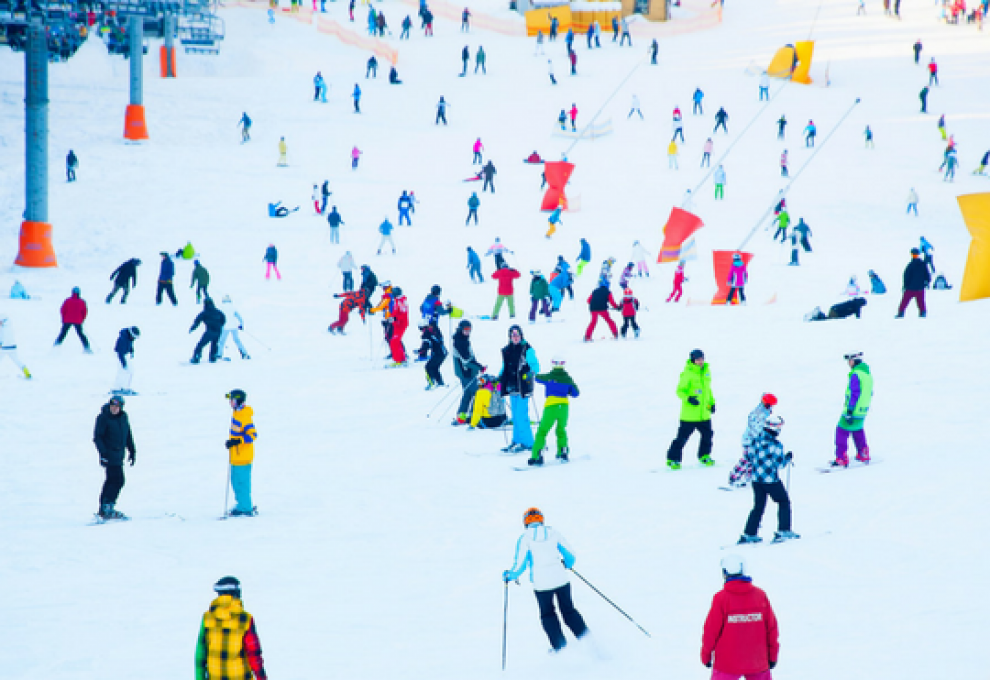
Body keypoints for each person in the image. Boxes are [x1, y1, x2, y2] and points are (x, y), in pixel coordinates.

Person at [503, 507, 588, 650]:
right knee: (569, 611)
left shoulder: (524, 538)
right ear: (541, 519)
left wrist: (509, 575)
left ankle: (560, 648)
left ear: (525, 522)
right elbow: (570, 556)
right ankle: (589, 642)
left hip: (542, 585)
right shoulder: (553, 533)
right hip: (561, 580)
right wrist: (566, 564)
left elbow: (520, 566)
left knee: (548, 615)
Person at [700, 555, 780, 677]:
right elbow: (771, 629)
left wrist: (706, 654)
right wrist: (773, 654)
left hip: (727, 664)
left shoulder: (721, 598)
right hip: (757, 662)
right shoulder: (760, 595)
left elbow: (711, 631)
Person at [730, 415, 798, 544]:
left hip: (756, 480)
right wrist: (787, 458)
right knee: (783, 501)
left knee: (758, 506)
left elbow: (748, 457)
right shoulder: (775, 445)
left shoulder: (755, 441)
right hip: (770, 480)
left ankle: (749, 533)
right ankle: (784, 530)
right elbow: (779, 464)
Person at [196, 576, 268, 680]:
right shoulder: (245, 619)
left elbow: (200, 653)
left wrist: (199, 678)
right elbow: (254, 654)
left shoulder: (207, 618)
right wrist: (262, 677)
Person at [666, 349, 716, 470]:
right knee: (682, 438)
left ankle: (704, 455)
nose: (700, 361)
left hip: (704, 414)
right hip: (689, 415)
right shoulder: (687, 373)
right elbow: (679, 391)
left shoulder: (706, 372)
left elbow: (708, 390)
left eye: (702, 359)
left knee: (708, 435)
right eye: (698, 359)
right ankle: (673, 459)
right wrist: (689, 399)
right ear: (693, 360)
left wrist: (712, 403)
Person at [528, 356, 580, 464]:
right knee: (561, 430)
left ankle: (537, 455)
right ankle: (563, 451)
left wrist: (531, 374)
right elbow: (576, 393)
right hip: (564, 407)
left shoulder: (549, 377)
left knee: (542, 431)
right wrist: (568, 391)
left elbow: (537, 378)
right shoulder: (568, 379)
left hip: (551, 407)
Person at [93, 394, 136, 520]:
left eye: (117, 407)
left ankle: (104, 508)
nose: (114, 409)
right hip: (109, 454)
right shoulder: (103, 418)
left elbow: (128, 434)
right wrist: (103, 454)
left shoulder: (123, 417)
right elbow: (98, 437)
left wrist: (132, 450)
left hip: (119, 455)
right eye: (112, 406)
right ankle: (107, 508)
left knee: (111, 480)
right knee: (118, 480)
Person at [499, 324, 539, 452]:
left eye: (517, 335)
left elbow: (535, 366)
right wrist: (498, 378)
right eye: (513, 335)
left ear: (521, 335)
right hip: (512, 386)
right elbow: (504, 367)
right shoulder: (507, 350)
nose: (515, 338)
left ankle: (528, 442)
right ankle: (516, 440)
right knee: (515, 416)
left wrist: (530, 373)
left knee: (522, 415)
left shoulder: (527, 349)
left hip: (523, 387)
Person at [831, 352, 872, 467]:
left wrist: (849, 410)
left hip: (853, 410)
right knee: (857, 429)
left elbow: (855, 393)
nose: (849, 363)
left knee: (841, 431)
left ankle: (841, 457)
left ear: (855, 361)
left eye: (850, 360)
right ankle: (863, 453)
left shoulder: (856, 374)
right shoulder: (867, 375)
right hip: (863, 410)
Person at [223, 389, 259, 516]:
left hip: (243, 457)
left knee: (242, 483)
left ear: (238, 401)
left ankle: (245, 507)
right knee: (236, 482)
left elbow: (253, 435)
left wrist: (237, 442)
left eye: (231, 400)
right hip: (236, 456)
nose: (230, 403)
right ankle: (242, 504)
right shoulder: (237, 414)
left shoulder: (244, 416)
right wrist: (231, 442)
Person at [452, 319, 485, 425]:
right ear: (461, 329)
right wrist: (479, 367)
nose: (467, 332)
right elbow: (466, 360)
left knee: (468, 393)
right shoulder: (459, 342)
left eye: (469, 330)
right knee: (476, 393)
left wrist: (478, 366)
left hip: (467, 372)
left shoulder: (463, 339)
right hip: (465, 372)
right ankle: (472, 416)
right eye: (465, 329)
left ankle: (462, 417)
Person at [55, 287, 92, 352]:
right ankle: (87, 347)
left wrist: (63, 318)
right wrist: (82, 320)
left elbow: (63, 310)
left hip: (67, 320)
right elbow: (84, 312)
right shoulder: (82, 302)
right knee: (81, 334)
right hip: (77, 321)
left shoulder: (68, 300)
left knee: (63, 333)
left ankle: (56, 346)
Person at [896, 248, 930, 318]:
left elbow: (906, 276)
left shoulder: (910, 265)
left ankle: (901, 313)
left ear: (912, 254)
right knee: (921, 302)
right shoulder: (923, 264)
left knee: (904, 301)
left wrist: (905, 285)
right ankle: (923, 313)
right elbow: (927, 275)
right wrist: (926, 282)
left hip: (910, 288)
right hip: (920, 287)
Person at [189, 298, 225, 364]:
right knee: (215, 343)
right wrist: (220, 325)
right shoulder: (218, 311)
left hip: (210, 330)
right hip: (218, 331)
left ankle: (196, 357)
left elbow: (197, 321)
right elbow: (223, 319)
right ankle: (213, 357)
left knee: (201, 344)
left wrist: (192, 328)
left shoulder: (204, 313)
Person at [416, 319, 447, 389]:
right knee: (434, 367)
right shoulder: (435, 329)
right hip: (443, 352)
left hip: (438, 353)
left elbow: (426, 344)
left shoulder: (427, 333)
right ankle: (440, 382)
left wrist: (421, 352)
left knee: (428, 367)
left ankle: (431, 383)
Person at [112, 326, 140, 394]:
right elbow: (120, 352)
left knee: (129, 371)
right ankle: (118, 388)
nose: (134, 339)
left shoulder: (128, 337)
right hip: (120, 356)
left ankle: (124, 387)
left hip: (124, 355)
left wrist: (131, 351)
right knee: (123, 371)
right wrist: (123, 363)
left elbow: (130, 344)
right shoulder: (123, 339)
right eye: (134, 337)